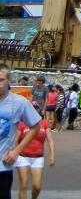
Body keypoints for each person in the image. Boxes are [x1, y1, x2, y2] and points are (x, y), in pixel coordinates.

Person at [0, 65, 43, 199]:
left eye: (1, 80)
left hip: (3, 165)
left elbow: (35, 127)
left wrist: (17, 151)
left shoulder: (19, 102)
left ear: (8, 80)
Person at [14, 102, 54, 199]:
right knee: (23, 185)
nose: (34, 110)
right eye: (32, 108)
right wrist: (15, 153)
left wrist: (52, 155)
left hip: (37, 157)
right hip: (23, 157)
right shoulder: (22, 123)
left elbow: (50, 141)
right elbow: (15, 140)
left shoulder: (44, 123)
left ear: (39, 110)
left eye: (36, 108)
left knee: (37, 186)